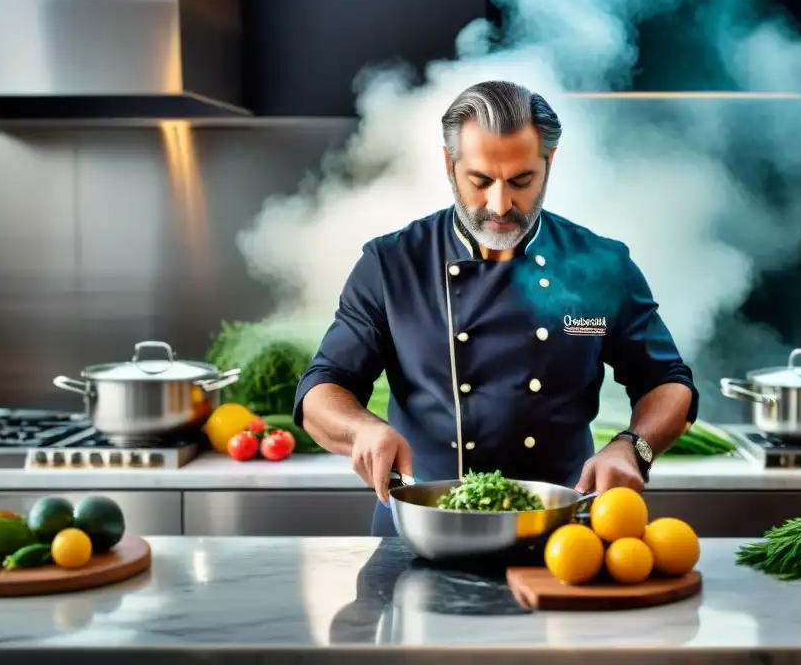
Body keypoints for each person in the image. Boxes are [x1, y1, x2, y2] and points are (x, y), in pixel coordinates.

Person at [294, 80, 698, 537]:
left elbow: (667, 382)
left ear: (549, 163)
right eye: (480, 181)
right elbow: (321, 389)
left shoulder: (601, 264)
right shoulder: (391, 264)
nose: (500, 204)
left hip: (561, 537)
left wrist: (633, 446)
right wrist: (363, 430)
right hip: (421, 532)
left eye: (522, 181)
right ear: (450, 165)